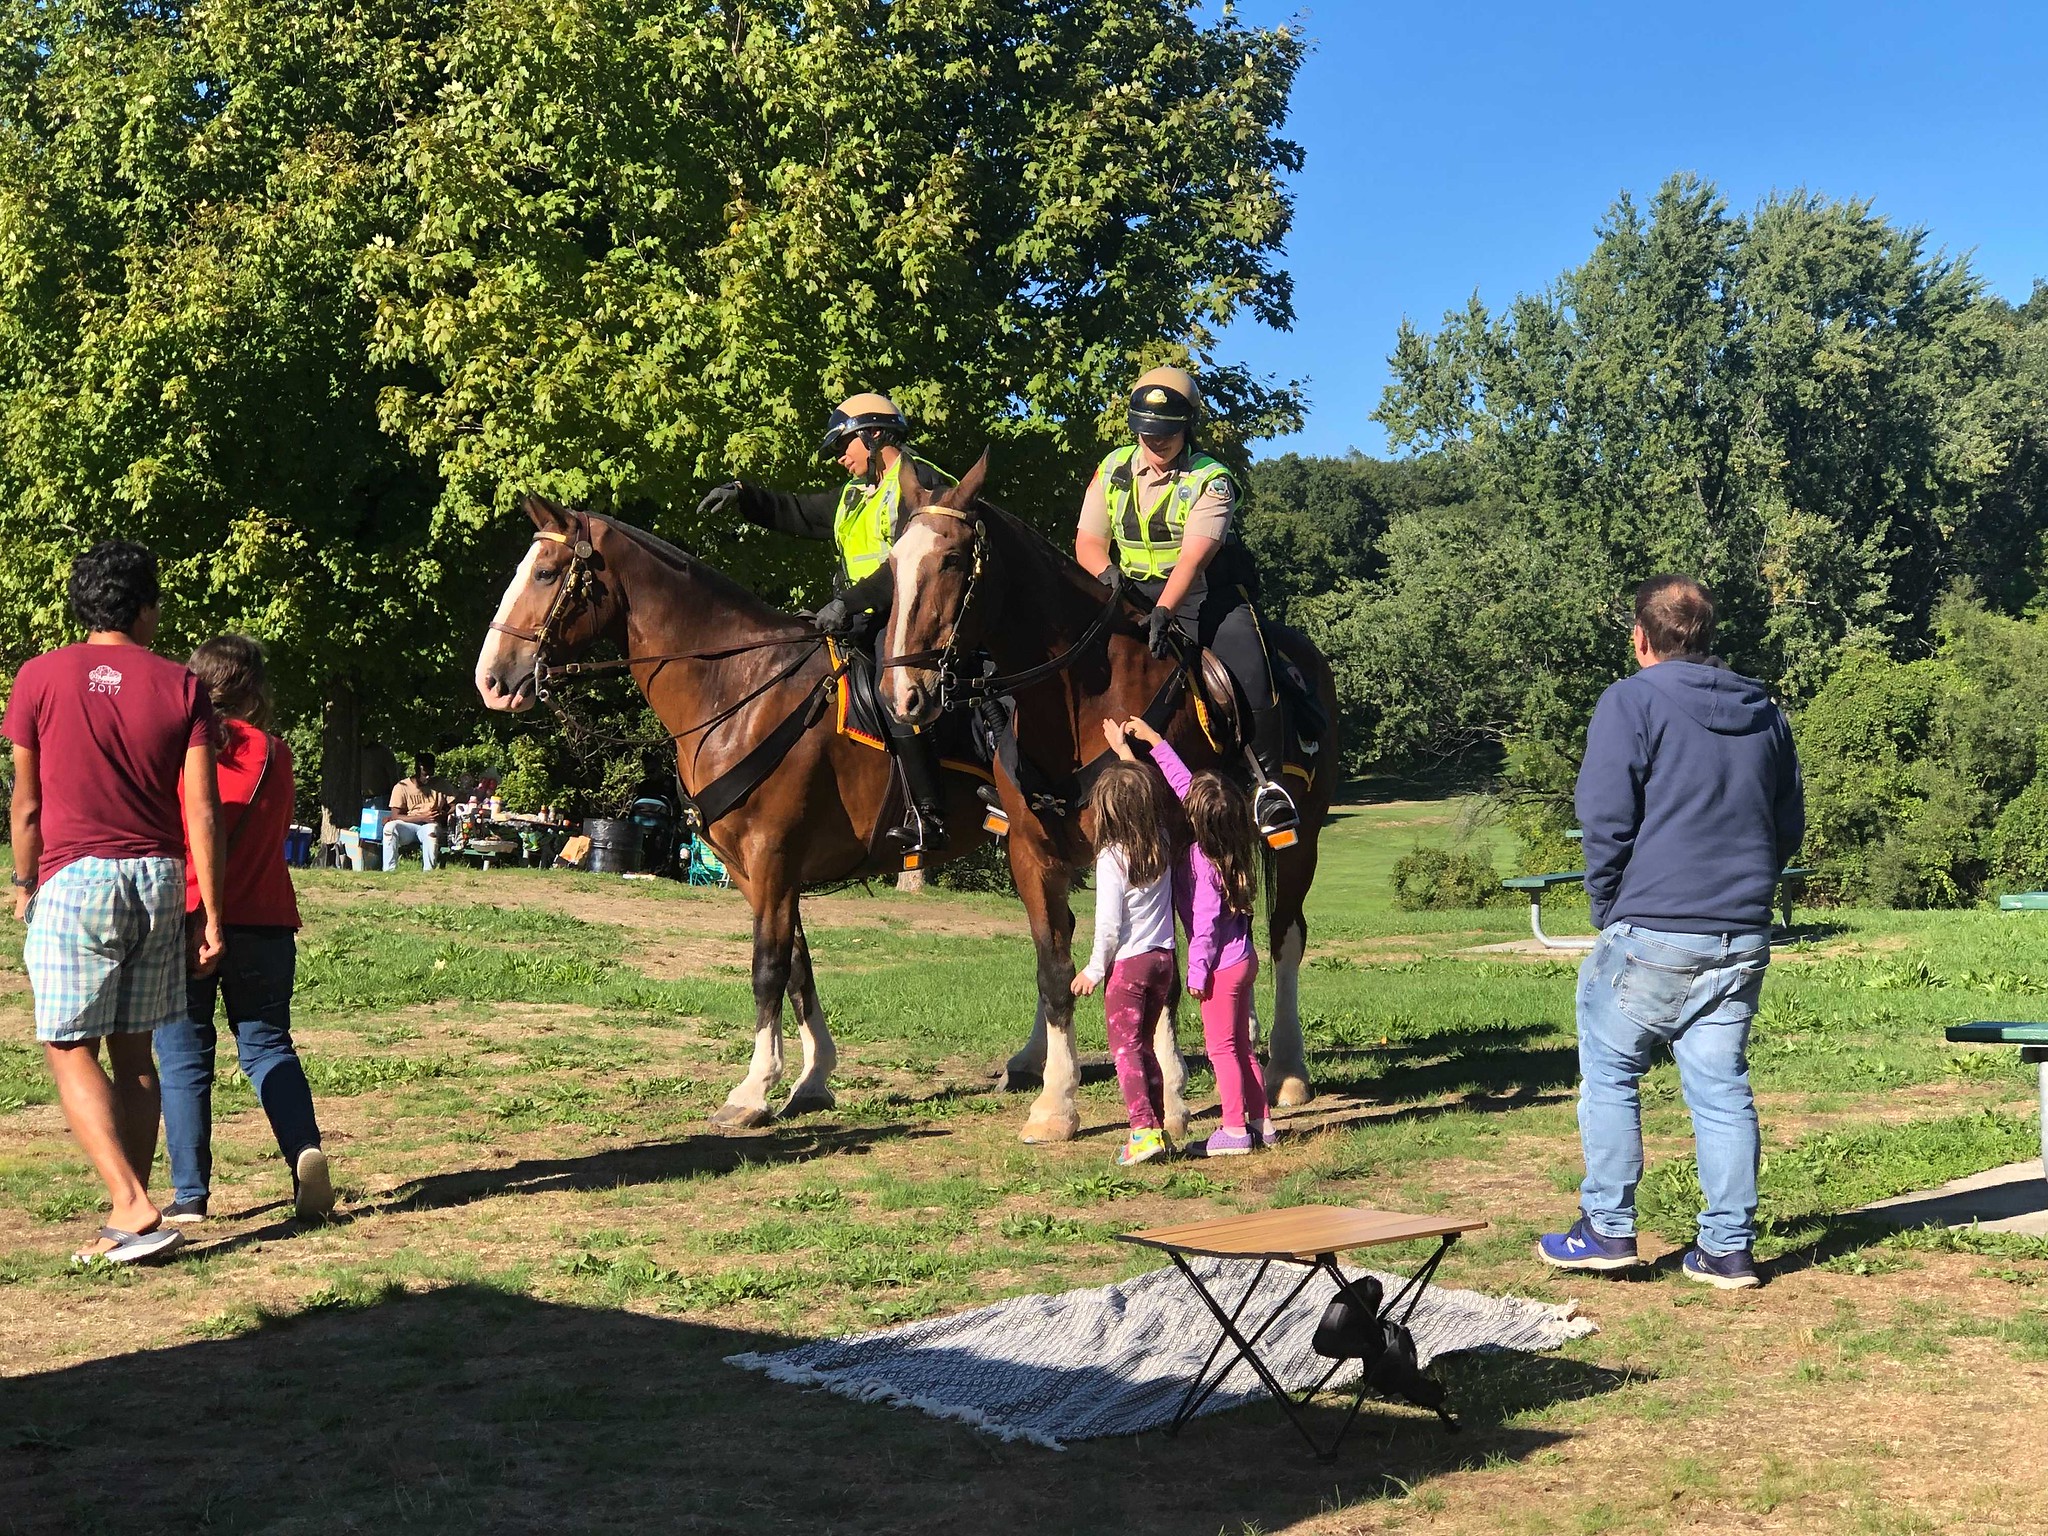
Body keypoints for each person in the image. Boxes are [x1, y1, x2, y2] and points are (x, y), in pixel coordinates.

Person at [1537, 576, 1804, 1291]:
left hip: (1652, 926)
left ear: (1641, 637)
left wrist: (1608, 906)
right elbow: (1786, 825)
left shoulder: (1630, 701)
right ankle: (1726, 1249)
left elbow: (1605, 817)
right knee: (1722, 1090)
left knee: (1612, 1075)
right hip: (1741, 933)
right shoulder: (1767, 712)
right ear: (1708, 637)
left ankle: (1607, 1230)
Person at [2, 541, 224, 1265]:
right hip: (157, 878)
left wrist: (23, 881)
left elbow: (27, 804)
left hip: (75, 879)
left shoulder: (37, 678)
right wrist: (210, 912)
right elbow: (202, 811)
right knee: (135, 1053)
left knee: (67, 1044)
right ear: (144, 606)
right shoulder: (182, 686)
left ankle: (132, 1203)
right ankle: (125, 1221)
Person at [694, 394, 957, 855]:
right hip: (862, 617)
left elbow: (915, 567)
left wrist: (849, 601)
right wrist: (743, 495)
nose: (839, 458)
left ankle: (929, 815)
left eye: (844, 445)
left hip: (911, 621)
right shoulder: (855, 495)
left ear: (873, 435)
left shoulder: (924, 485)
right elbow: (797, 510)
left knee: (892, 689)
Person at [1074, 366, 1297, 843]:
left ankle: (1267, 786)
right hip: (1128, 592)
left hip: (1200, 596)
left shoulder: (1212, 480)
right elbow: (1090, 540)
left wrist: (1164, 610)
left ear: (1186, 427)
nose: (1158, 442)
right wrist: (1107, 576)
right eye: (1149, 432)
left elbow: (1194, 558)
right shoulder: (1111, 468)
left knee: (1247, 656)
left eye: (1169, 433)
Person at [156, 637, 333, 1224]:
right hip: (266, 918)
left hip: (188, 916)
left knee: (183, 1053)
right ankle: (304, 1148)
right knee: (265, 1044)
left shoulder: (179, 750)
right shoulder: (277, 754)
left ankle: (189, 1197)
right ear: (254, 690)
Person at [1112, 717, 1273, 1156]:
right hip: (1244, 959)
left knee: (1221, 1051)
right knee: (1243, 1048)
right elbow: (1189, 788)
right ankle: (1262, 1122)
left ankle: (1235, 1131)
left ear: (1196, 820)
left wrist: (1197, 973)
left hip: (1219, 967)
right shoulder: (1232, 842)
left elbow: (1203, 928)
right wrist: (1154, 744)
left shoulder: (1202, 865)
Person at [1070, 727, 1181, 1166]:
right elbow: (1146, 790)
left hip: (1130, 968)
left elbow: (1109, 926)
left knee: (1125, 1050)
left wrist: (1094, 970)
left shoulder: (1111, 858)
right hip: (1163, 960)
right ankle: (1156, 1124)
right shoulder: (1161, 841)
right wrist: (1123, 752)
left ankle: (1142, 1129)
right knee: (1146, 1046)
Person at [383, 751, 454, 871]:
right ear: (417, 770)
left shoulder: (441, 784)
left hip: (430, 825)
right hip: (408, 825)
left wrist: (444, 815)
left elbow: (454, 805)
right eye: (425, 774)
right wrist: (421, 818)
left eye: (431, 774)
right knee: (390, 828)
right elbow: (395, 815)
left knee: (431, 831)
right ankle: (390, 870)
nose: (428, 778)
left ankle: (429, 871)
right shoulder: (402, 787)